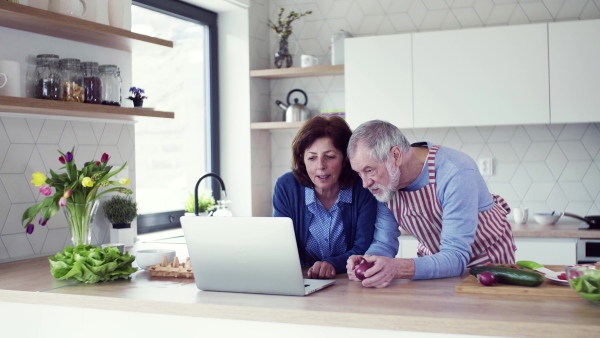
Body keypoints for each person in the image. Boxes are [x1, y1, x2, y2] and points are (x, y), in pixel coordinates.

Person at [346, 120, 516, 288]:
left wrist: (397, 267)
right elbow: (384, 243)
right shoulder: (386, 185)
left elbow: (456, 256)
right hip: (436, 266)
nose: (365, 183)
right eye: (359, 173)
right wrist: (367, 263)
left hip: (487, 264)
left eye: (369, 170)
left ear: (396, 156)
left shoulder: (456, 172)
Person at [273, 116, 399, 279]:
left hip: (350, 280)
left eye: (330, 156)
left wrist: (333, 264)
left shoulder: (362, 186)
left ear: (346, 159)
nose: (320, 166)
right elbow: (281, 246)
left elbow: (363, 246)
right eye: (312, 158)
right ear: (302, 160)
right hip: (302, 279)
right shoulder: (286, 187)